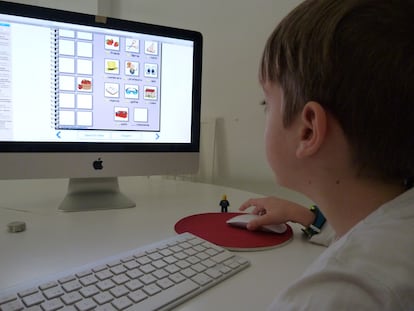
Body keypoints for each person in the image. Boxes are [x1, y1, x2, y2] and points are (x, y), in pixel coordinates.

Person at [239, 0, 414, 309]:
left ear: (308, 130)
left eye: (266, 103)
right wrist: (308, 216)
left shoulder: (334, 293)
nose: (264, 112)